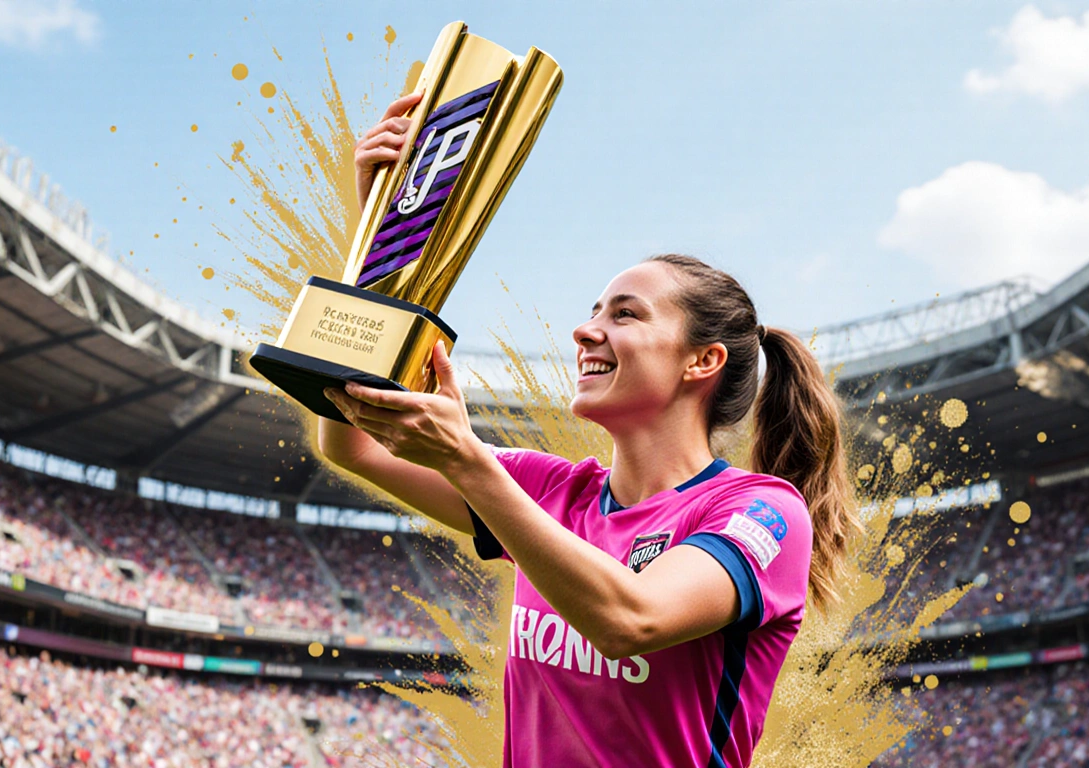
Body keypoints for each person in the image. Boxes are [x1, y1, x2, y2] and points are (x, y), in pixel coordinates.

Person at [319, 92, 863, 768]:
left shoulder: (760, 510)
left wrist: (468, 461)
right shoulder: (547, 491)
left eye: (626, 314)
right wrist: (379, 244)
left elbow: (631, 620)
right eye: (593, 310)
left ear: (703, 361)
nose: (585, 330)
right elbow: (350, 440)